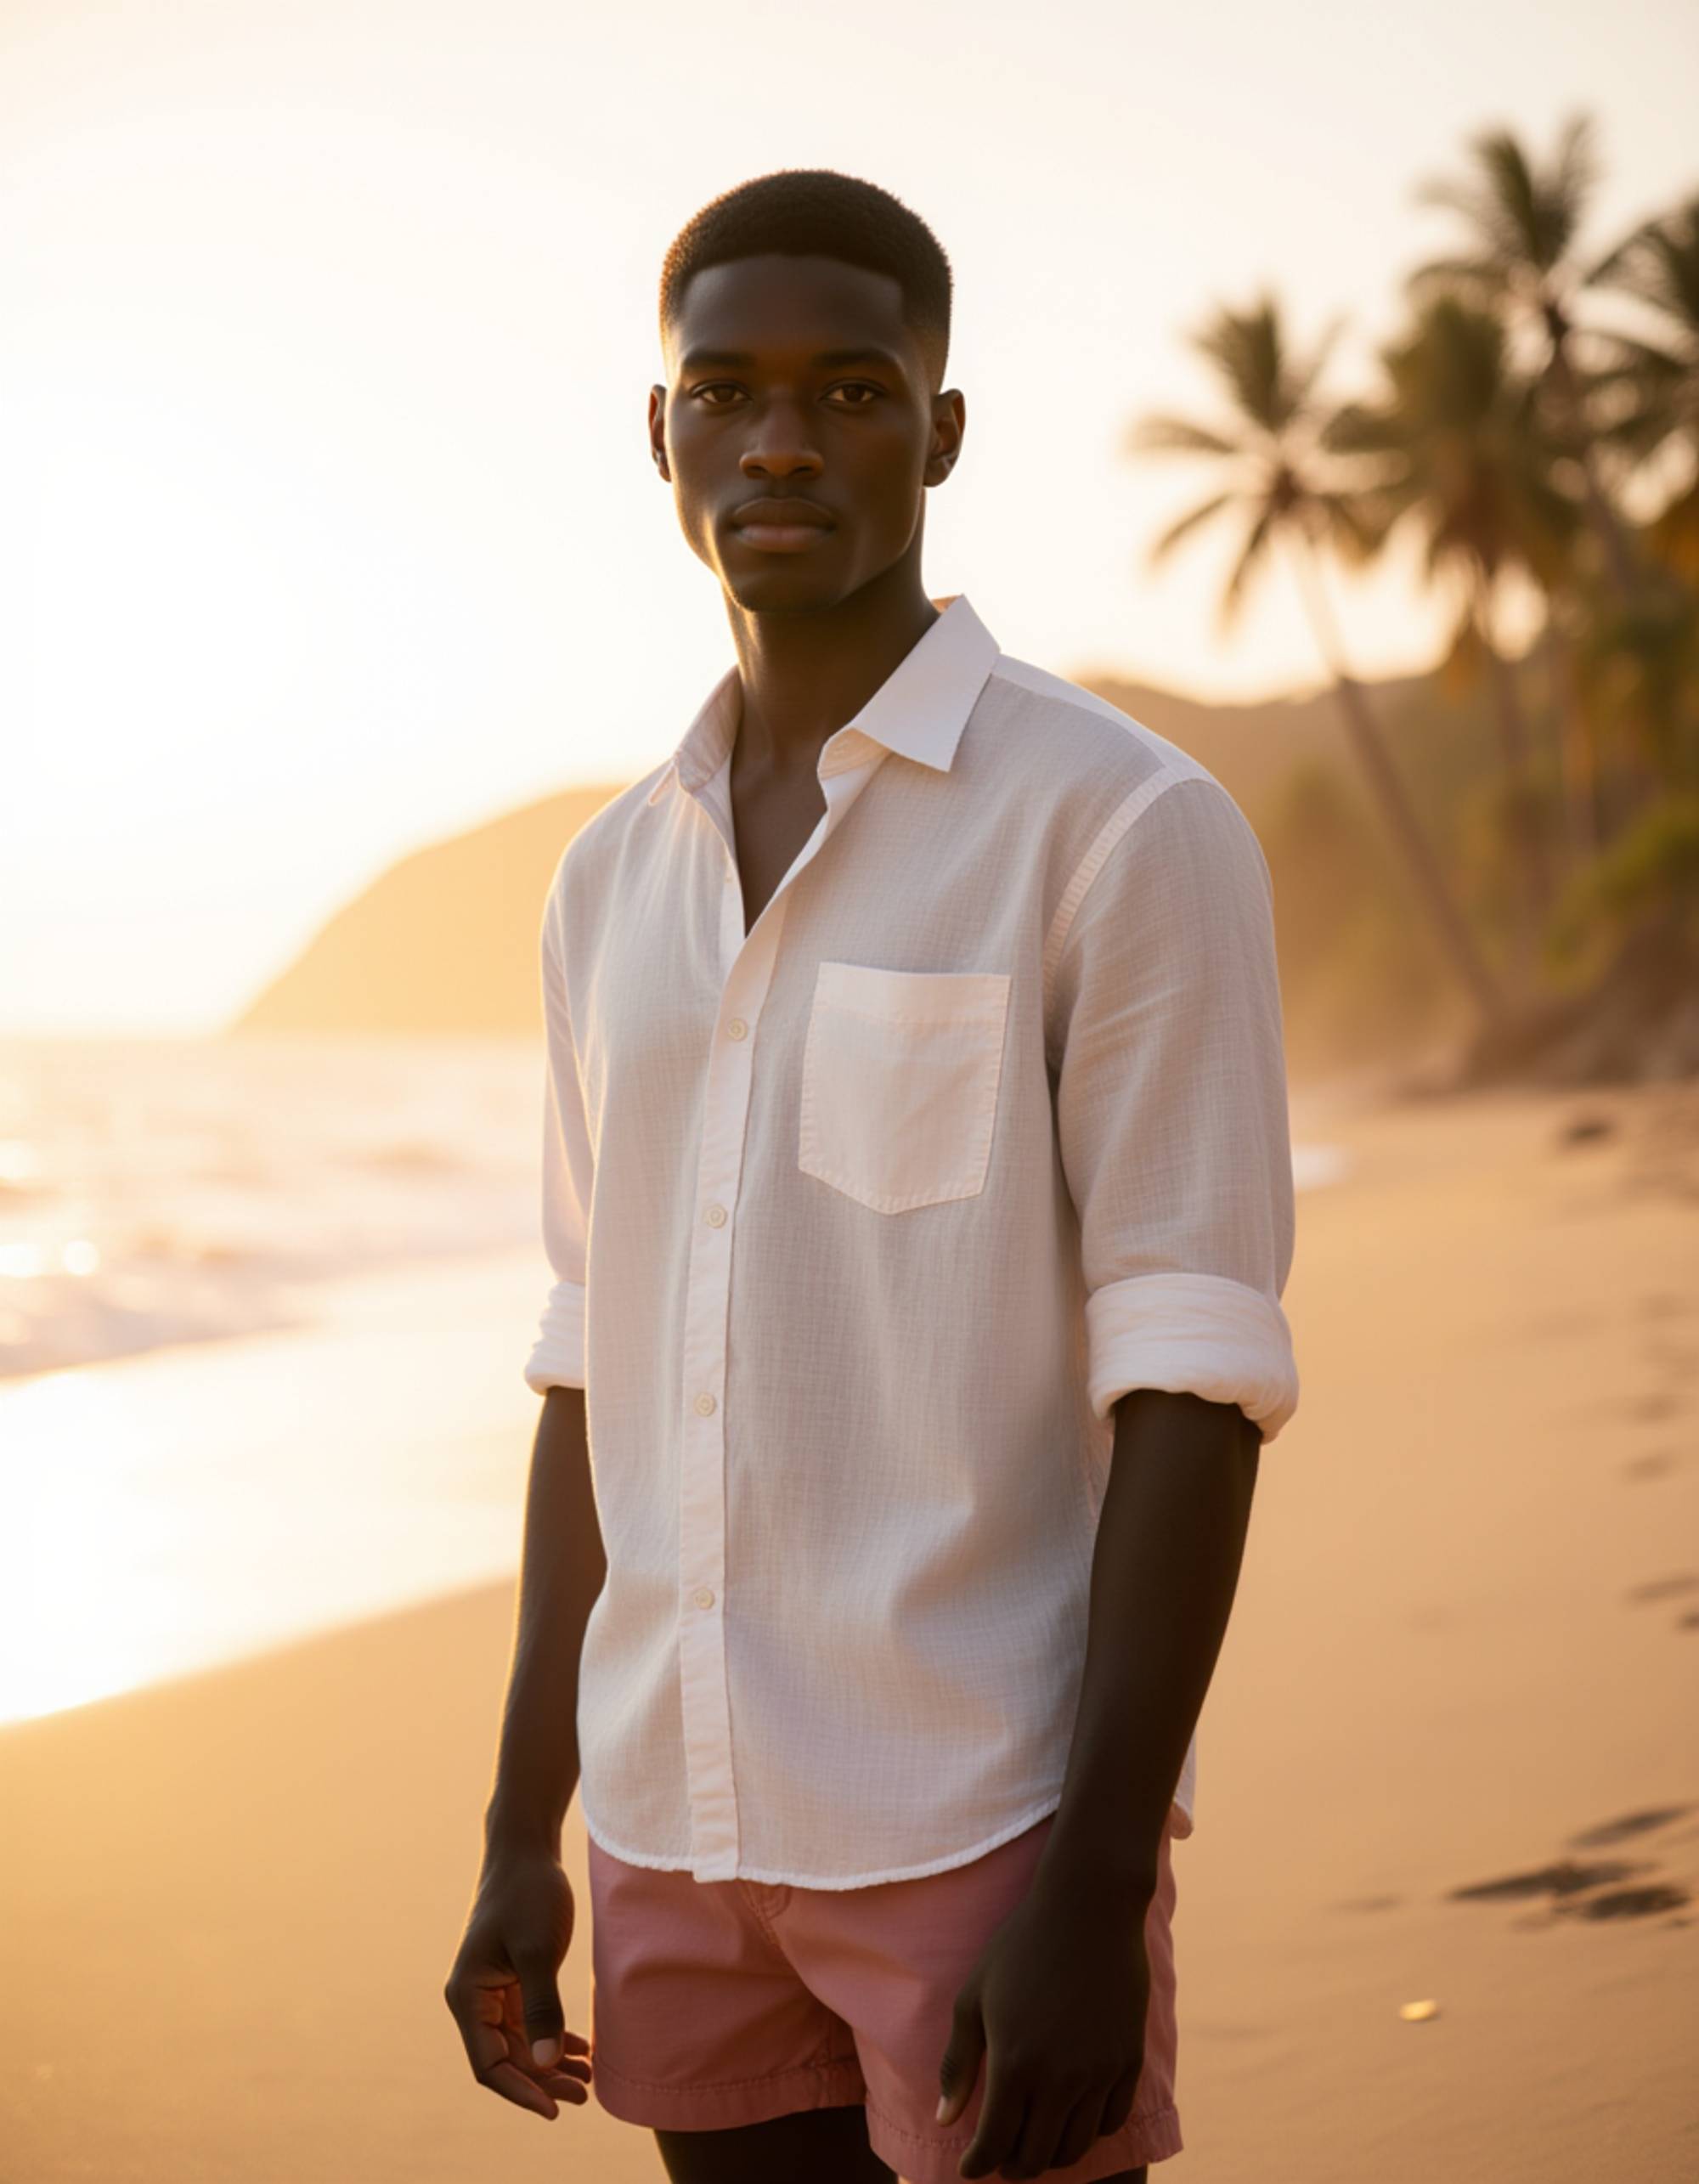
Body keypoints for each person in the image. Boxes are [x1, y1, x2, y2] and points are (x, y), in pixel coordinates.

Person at [443, 166, 1300, 2184]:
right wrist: (516, 1827)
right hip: (670, 1811)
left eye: (849, 391)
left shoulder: (1117, 824)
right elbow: (592, 1362)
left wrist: (1096, 1880)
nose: (780, 441)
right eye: (725, 391)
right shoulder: (603, 881)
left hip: (977, 1814)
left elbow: (1191, 1373)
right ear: (659, 432)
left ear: (942, 427)